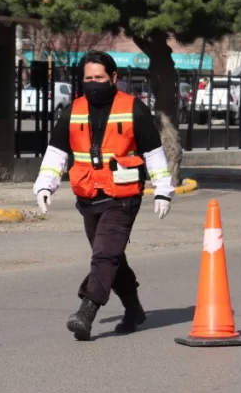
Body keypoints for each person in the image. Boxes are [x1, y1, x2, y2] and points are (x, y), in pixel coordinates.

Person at [33, 51, 175, 340]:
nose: (93, 83)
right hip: (88, 196)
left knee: (104, 254)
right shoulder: (73, 110)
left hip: (123, 196)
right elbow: (57, 152)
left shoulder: (133, 108)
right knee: (111, 256)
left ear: (113, 78)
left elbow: (153, 153)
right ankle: (134, 309)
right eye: (88, 78)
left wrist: (163, 190)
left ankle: (87, 310)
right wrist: (45, 184)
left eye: (99, 78)